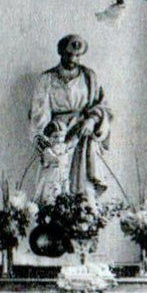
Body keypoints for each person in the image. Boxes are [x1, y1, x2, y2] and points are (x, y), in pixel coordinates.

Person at [30, 34, 111, 203]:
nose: (73, 59)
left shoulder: (90, 77)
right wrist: (45, 145)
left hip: (83, 136)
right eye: (69, 55)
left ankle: (83, 218)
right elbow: (39, 114)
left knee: (83, 188)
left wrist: (92, 120)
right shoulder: (47, 79)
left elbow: (102, 105)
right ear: (61, 53)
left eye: (77, 56)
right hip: (58, 137)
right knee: (56, 186)